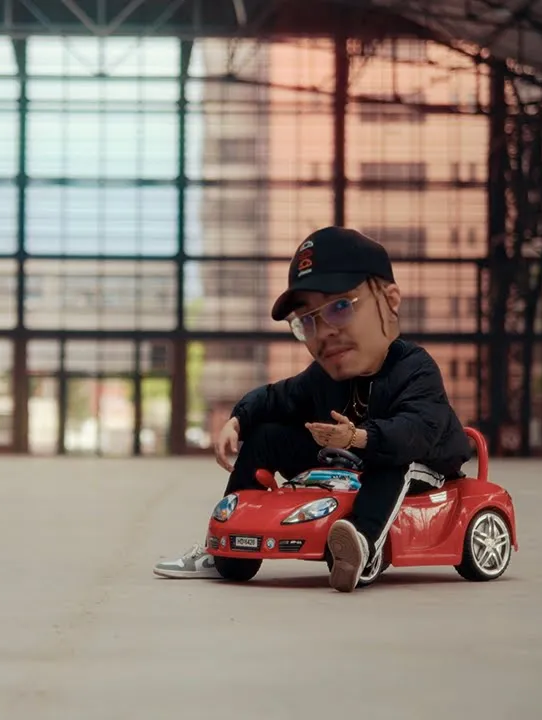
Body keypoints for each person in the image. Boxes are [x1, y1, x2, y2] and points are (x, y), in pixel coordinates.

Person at [153, 227, 472, 592]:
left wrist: (357, 438)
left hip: (423, 463)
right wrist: (238, 420)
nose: (323, 333)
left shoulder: (415, 368)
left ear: (390, 301)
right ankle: (229, 551)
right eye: (307, 321)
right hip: (351, 458)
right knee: (268, 436)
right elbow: (278, 396)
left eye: (340, 307)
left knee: (393, 460)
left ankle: (362, 546)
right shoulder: (325, 376)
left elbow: (417, 431)